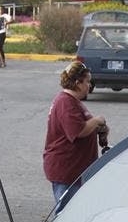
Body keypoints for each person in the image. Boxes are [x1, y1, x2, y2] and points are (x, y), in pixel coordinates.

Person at [43, 61, 108, 210]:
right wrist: (96, 121)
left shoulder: (73, 101)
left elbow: (84, 126)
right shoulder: (66, 103)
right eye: (87, 82)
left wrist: (99, 129)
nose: (89, 86)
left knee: (79, 211)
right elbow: (78, 131)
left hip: (77, 171)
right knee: (67, 214)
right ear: (78, 83)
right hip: (66, 171)